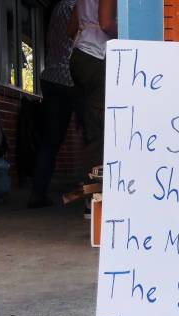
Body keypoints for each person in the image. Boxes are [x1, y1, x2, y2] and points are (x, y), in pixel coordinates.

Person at [67, 0, 116, 217]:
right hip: (97, 56)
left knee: (91, 127)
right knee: (102, 129)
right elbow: (106, 23)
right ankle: (96, 199)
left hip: (79, 56)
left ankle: (90, 196)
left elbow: (71, 29)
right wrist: (127, 31)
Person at [29, 0, 78, 209]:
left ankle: (37, 193)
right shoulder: (78, 7)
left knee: (51, 141)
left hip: (50, 76)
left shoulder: (57, 7)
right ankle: (95, 191)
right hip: (69, 76)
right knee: (93, 133)